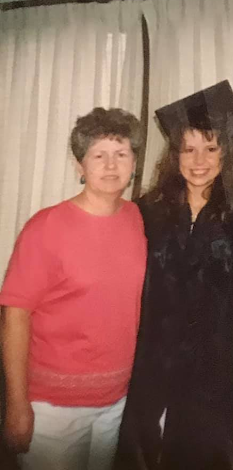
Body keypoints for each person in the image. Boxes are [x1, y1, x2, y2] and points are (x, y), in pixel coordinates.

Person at [0, 107, 147, 470]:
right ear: (80, 166)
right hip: (53, 409)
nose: (111, 165)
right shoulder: (46, 227)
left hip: (115, 401)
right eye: (98, 155)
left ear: (133, 163)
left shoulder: (137, 219)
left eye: (121, 153)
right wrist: (17, 406)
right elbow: (14, 317)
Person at [115, 81, 233, 470]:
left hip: (215, 362)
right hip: (150, 356)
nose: (199, 160)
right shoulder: (145, 212)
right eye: (188, 149)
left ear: (227, 153)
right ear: (174, 154)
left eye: (211, 148)